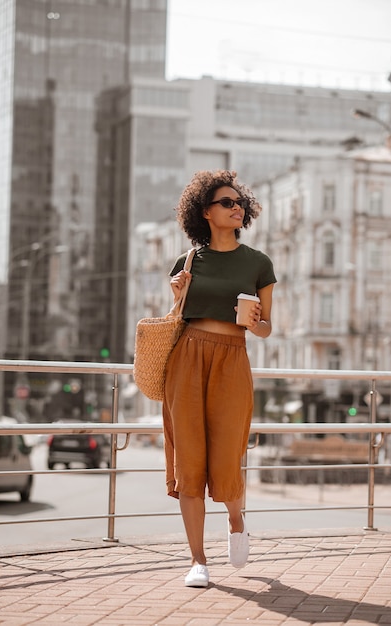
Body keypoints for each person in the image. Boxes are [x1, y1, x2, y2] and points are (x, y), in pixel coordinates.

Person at [162, 169, 277, 587]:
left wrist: (254, 320)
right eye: (226, 203)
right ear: (205, 212)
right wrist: (177, 296)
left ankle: (235, 519)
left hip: (233, 359)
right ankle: (197, 560)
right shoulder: (188, 261)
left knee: (227, 455)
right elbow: (175, 319)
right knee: (189, 460)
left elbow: (266, 329)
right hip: (187, 358)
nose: (236, 208)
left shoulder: (258, 262)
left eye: (239, 202)